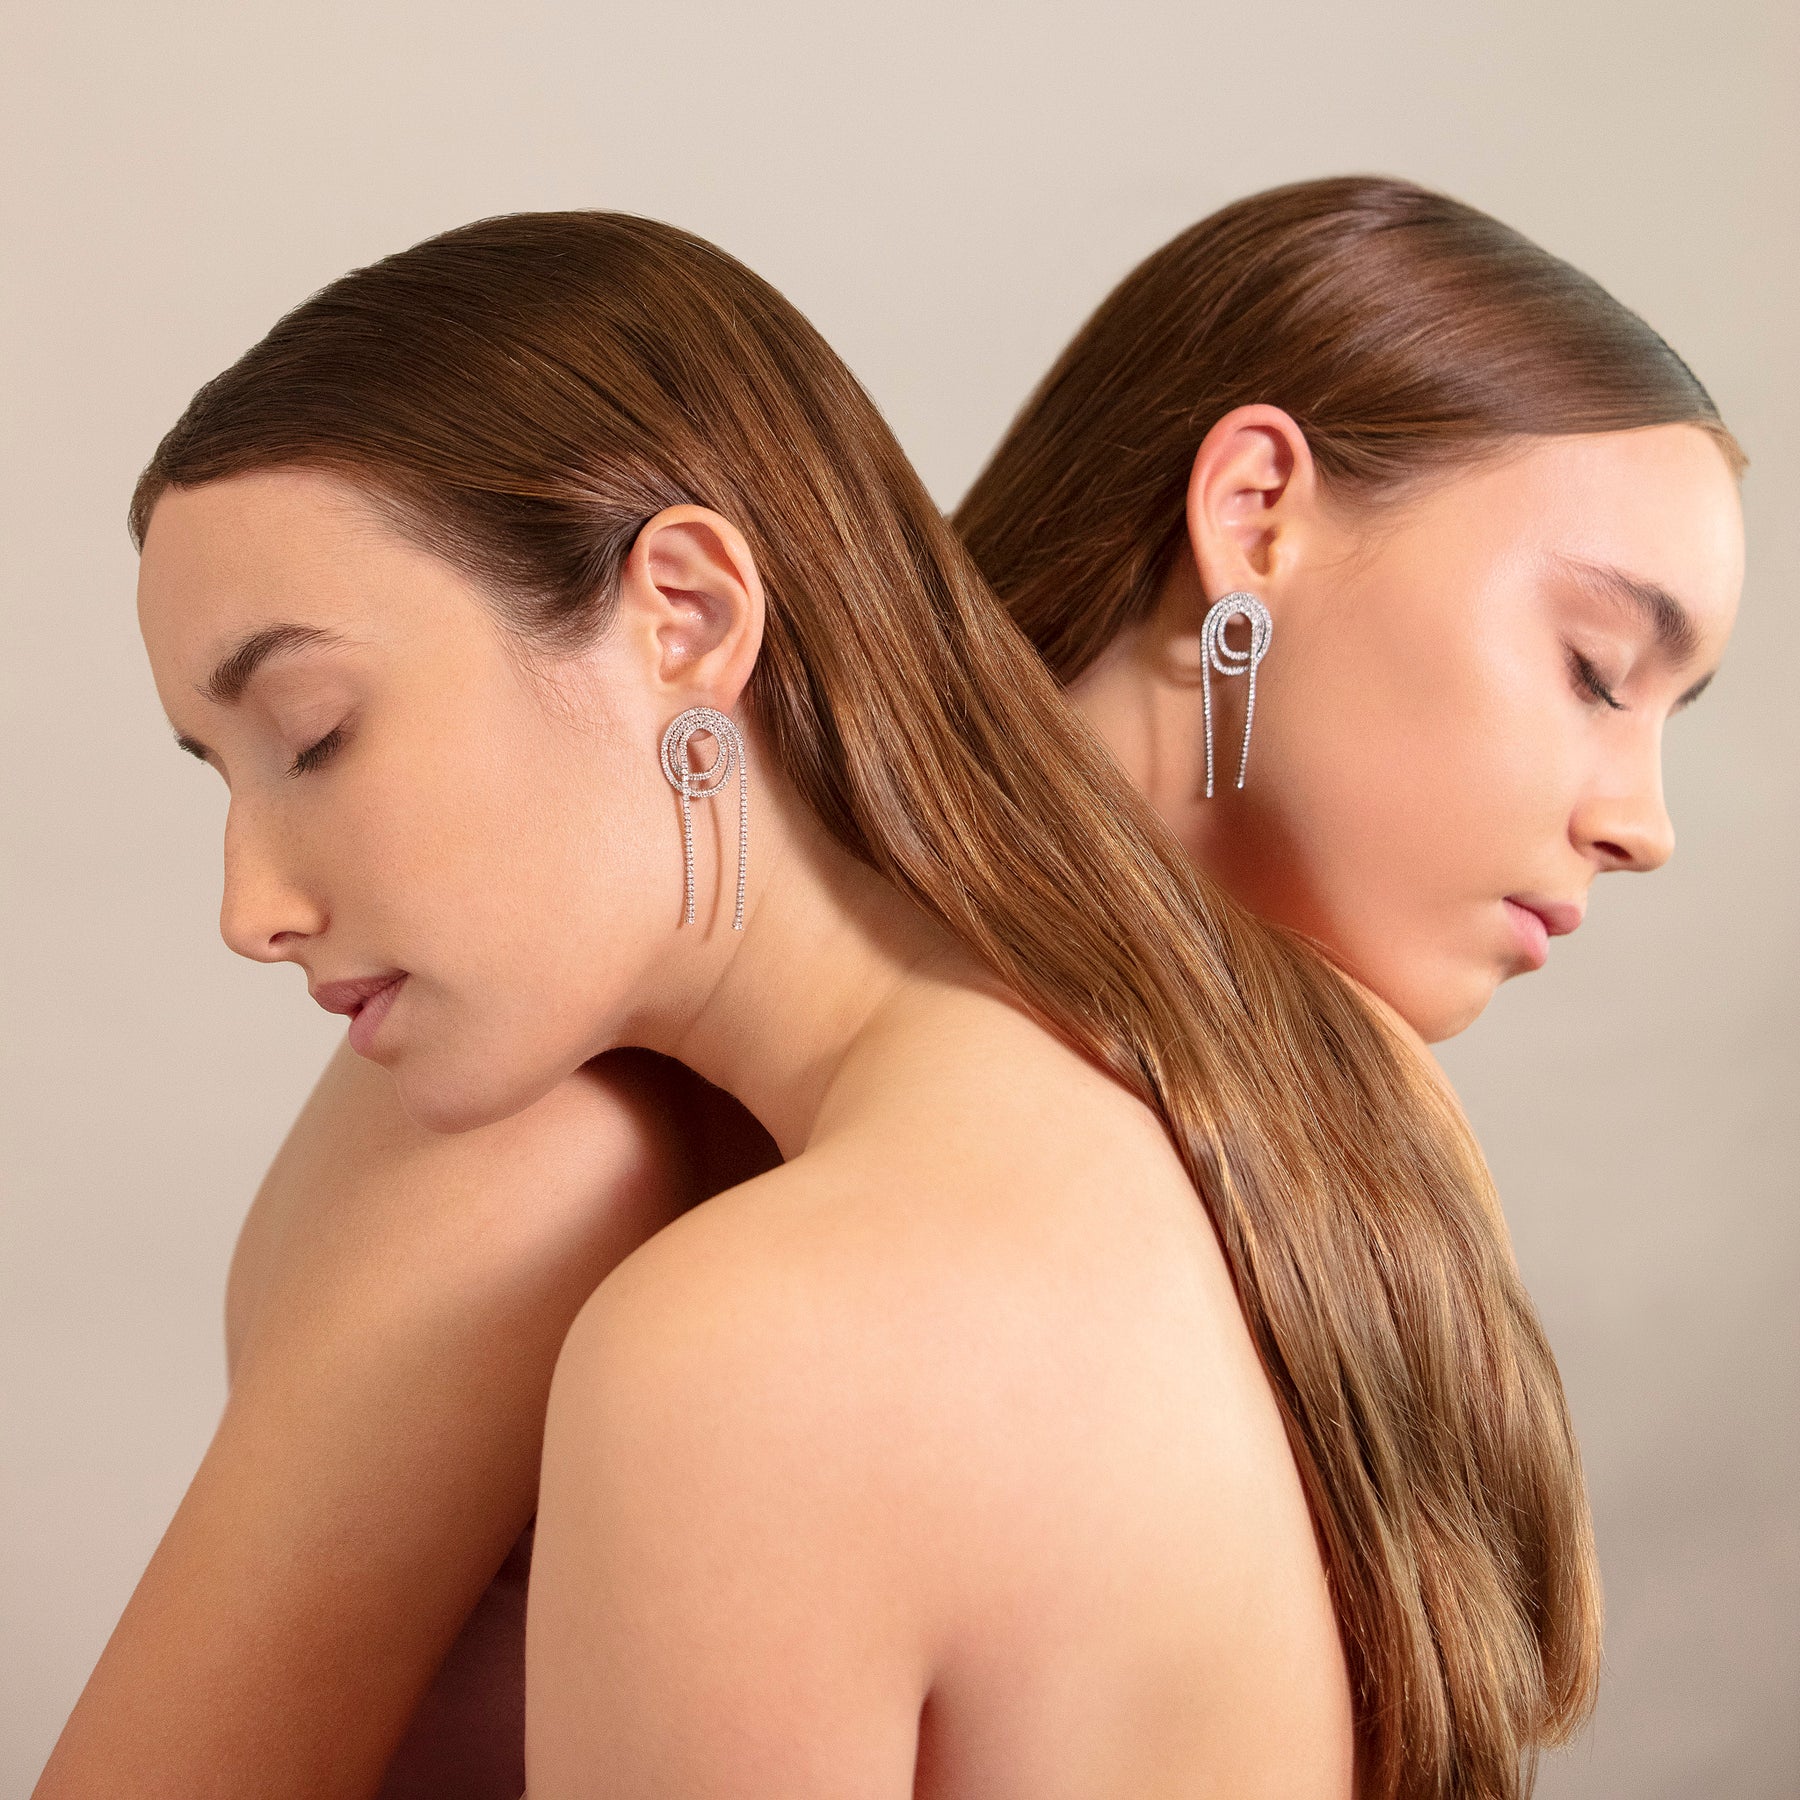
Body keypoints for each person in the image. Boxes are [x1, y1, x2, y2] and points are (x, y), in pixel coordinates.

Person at [34, 181, 1742, 1800]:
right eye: (1595, 671)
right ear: (1249, 517)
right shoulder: (566, 1125)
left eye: (317, 737)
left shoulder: (1255, 1131)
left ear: (689, 615)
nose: (1643, 822)